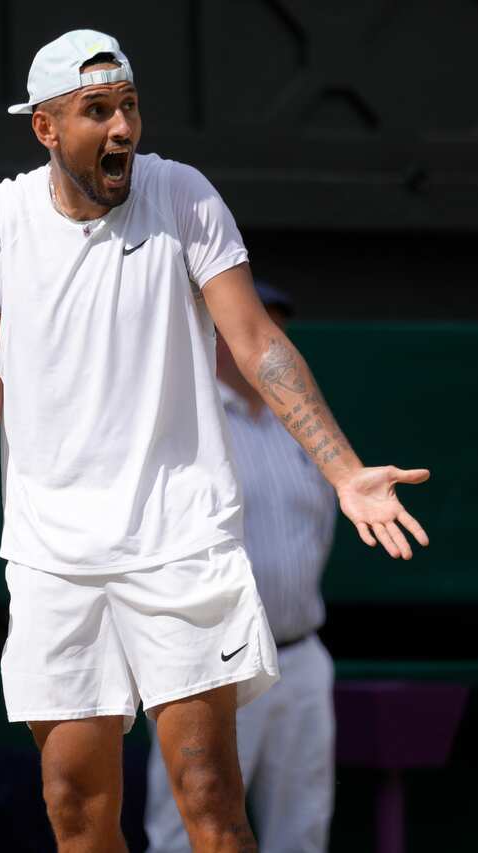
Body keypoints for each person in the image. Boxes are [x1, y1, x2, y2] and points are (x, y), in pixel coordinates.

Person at [0, 30, 430, 852]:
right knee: (74, 810)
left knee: (210, 802)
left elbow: (256, 340)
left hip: (180, 544)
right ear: (46, 127)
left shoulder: (185, 196)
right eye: (96, 111)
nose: (121, 128)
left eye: (129, 107)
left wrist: (342, 469)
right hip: (53, 558)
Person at [145, 280, 339, 852]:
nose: (263, 339)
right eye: (248, 325)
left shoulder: (301, 427)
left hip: (303, 655)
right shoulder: (184, 424)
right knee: (188, 833)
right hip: (213, 663)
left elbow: (319, 527)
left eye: (275, 327)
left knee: (302, 830)